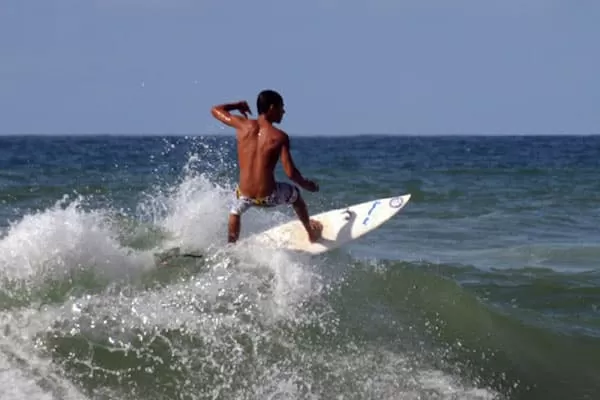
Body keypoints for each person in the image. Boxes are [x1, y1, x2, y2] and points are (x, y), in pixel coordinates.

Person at [210, 89, 323, 244]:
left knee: (235, 210)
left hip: (244, 195)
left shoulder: (243, 125)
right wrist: (308, 185)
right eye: (281, 107)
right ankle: (311, 232)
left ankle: (231, 246)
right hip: (268, 197)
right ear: (271, 108)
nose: (284, 111)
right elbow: (290, 173)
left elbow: (215, 110)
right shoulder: (279, 137)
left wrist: (237, 105)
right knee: (295, 195)